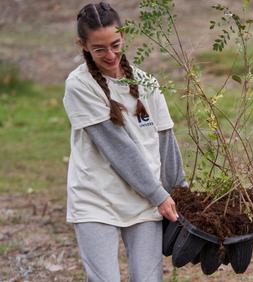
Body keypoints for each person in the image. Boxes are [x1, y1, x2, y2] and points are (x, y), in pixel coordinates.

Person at [63, 2, 187, 281]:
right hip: (97, 200)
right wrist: (159, 194)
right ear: (82, 45)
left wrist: (180, 194)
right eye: (99, 49)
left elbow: (166, 142)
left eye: (115, 44)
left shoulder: (147, 83)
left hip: (144, 202)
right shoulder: (80, 86)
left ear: (124, 36)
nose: (110, 55)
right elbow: (118, 147)